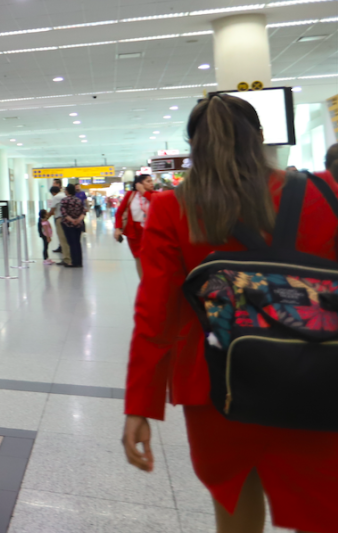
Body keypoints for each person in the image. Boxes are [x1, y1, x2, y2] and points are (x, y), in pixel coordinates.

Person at [122, 94, 338, 533]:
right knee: (320, 506)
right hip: (318, 372)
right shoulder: (324, 190)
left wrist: (139, 407)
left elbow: (156, 316)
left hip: (215, 381)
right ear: (260, 138)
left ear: (193, 146)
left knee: (235, 503)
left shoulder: (173, 207)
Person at [114, 174, 155, 277]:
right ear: (139, 184)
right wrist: (118, 228)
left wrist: (143, 192)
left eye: (151, 181)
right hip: (134, 232)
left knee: (152, 258)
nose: (152, 183)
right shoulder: (131, 195)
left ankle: (152, 280)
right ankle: (143, 282)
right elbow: (119, 212)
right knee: (138, 258)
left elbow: (155, 202)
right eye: (148, 181)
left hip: (151, 231)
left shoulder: (155, 195)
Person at [59, 184, 87, 267]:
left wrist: (72, 220)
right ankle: (79, 262)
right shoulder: (79, 200)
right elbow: (83, 211)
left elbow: (64, 213)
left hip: (68, 225)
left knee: (71, 243)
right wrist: (78, 220)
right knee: (77, 242)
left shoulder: (64, 200)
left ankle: (74, 262)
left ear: (67, 191)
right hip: (78, 225)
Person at [45, 185, 68, 261]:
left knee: (62, 239)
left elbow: (52, 210)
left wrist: (46, 218)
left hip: (60, 219)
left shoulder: (56, 197)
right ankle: (68, 257)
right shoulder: (64, 195)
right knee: (66, 238)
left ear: (53, 193)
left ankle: (66, 259)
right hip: (68, 219)